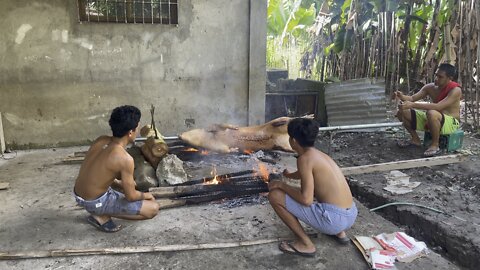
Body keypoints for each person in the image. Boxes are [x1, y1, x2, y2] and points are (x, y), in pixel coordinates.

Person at [268, 118, 357, 257]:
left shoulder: (304, 159)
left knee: (275, 196)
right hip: (350, 215)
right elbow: (307, 173)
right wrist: (290, 176)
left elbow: (306, 200)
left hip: (334, 220)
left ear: (294, 141)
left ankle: (306, 244)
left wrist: (281, 185)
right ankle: (340, 234)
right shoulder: (320, 155)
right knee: (317, 191)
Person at [73, 105, 159, 232]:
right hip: (95, 202)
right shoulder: (124, 159)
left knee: (123, 185)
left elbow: (95, 171)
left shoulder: (101, 140)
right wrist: (147, 195)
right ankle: (100, 215)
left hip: (78, 193)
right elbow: (131, 196)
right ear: (130, 132)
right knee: (153, 208)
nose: (138, 130)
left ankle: (99, 209)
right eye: (137, 128)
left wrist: (118, 183)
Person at [395, 63, 462, 157]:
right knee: (401, 112)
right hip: (433, 118)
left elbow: (438, 107)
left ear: (449, 78)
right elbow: (412, 98)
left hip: (451, 122)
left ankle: (435, 145)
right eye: (436, 75)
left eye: (440, 77)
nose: (436, 79)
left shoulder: (455, 90)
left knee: (432, 113)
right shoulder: (429, 87)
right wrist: (401, 96)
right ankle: (415, 140)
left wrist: (413, 105)